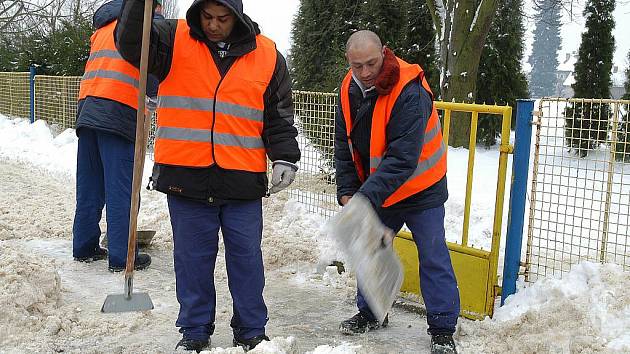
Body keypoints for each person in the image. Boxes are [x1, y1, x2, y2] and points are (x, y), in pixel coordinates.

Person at [115, 0, 300, 352]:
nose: (214, 25)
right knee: (192, 259)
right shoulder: (172, 38)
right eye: (207, 17)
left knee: (247, 258)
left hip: (242, 177)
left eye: (223, 18)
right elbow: (130, 45)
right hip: (186, 173)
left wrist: (285, 157)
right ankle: (195, 330)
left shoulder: (267, 54)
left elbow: (277, 114)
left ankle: (251, 330)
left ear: (238, 16)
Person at [334, 30, 460, 354]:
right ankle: (372, 312)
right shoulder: (348, 90)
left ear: (383, 53)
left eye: (371, 64)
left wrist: (364, 198)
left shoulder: (409, 88)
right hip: (383, 189)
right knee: (369, 248)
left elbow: (404, 158)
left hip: (422, 187)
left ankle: (443, 329)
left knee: (432, 253)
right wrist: (348, 189)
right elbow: (344, 146)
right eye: (356, 65)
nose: (364, 73)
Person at [72, 0, 160, 273]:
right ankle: (123, 256)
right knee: (122, 189)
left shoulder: (103, 27)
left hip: (88, 110)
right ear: (152, 7)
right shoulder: (146, 23)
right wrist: (154, 92)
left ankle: (84, 247)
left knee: (90, 185)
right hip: (119, 111)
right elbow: (152, 60)